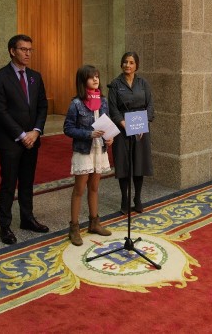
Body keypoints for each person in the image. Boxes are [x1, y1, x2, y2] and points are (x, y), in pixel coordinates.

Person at [0, 34, 49, 245]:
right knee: (8, 183)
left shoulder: (35, 76)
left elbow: (42, 105)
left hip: (33, 139)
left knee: (27, 181)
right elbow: (1, 111)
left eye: (30, 50)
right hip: (10, 140)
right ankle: (5, 226)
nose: (27, 53)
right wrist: (22, 135)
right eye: (23, 49)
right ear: (12, 51)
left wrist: (36, 130)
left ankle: (27, 218)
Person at [63, 65, 113, 246]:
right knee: (80, 189)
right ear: (83, 82)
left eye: (97, 76)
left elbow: (106, 123)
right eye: (92, 77)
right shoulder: (76, 103)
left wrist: (109, 138)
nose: (96, 80)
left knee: (94, 187)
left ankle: (94, 222)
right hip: (84, 149)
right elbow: (68, 128)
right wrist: (88, 134)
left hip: (99, 149)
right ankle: (74, 228)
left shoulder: (103, 100)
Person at [109, 52, 154, 214]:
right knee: (124, 164)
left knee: (139, 163)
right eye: (125, 62)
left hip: (140, 128)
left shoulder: (143, 83)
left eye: (131, 62)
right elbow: (113, 109)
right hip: (122, 128)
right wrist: (124, 124)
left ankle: (138, 198)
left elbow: (150, 106)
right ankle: (124, 198)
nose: (127, 65)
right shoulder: (115, 84)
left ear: (136, 65)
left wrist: (142, 125)